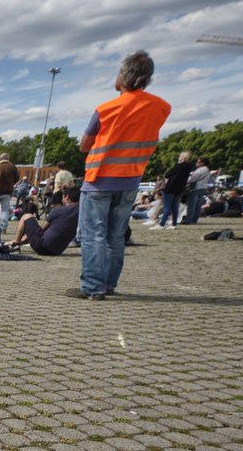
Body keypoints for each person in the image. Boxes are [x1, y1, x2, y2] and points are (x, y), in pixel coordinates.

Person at [72, 50, 171, 300]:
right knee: (115, 236)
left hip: (99, 180)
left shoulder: (107, 109)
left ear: (125, 76)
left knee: (93, 235)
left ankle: (93, 286)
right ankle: (108, 284)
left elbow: (84, 145)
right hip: (130, 180)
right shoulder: (160, 107)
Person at [8, 187, 80, 256]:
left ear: (66, 197)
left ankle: (15, 245)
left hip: (42, 246)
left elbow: (41, 230)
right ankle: (14, 243)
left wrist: (17, 241)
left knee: (26, 216)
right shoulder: (81, 213)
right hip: (57, 250)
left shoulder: (58, 210)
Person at [153, 151, 192, 229]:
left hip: (170, 188)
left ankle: (162, 224)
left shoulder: (178, 166)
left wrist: (179, 163)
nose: (179, 158)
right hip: (179, 189)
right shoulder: (189, 167)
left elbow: (167, 174)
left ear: (182, 158)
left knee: (167, 207)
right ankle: (174, 224)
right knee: (175, 207)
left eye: (180, 157)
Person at [181, 158, 210, 225]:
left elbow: (192, 179)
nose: (196, 163)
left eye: (198, 162)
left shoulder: (200, 170)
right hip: (203, 188)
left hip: (195, 188)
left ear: (202, 163)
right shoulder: (207, 169)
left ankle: (189, 220)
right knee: (198, 206)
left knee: (192, 205)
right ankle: (194, 220)